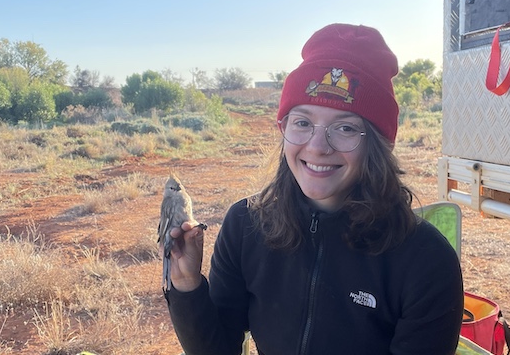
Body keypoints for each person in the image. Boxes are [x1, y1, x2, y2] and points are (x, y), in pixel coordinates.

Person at [164, 23, 464, 354]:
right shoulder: (245, 225)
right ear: (284, 128)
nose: (318, 146)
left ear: (377, 145)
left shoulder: (425, 260)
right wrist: (187, 284)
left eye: (346, 127)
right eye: (303, 122)